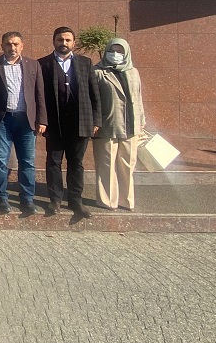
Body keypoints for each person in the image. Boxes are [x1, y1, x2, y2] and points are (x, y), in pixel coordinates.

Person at [38, 26, 101, 218]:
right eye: (60, 40)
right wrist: (41, 120)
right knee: (53, 162)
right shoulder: (43, 64)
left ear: (73, 42)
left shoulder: (85, 63)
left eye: (67, 40)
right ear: (54, 41)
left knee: (76, 163)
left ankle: (76, 201)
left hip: (80, 123)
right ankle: (55, 200)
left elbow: (94, 94)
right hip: (54, 123)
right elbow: (39, 96)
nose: (63, 43)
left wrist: (96, 120)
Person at [0, 31, 47, 215]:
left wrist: (42, 119)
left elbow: (39, 94)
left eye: (16, 44)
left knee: (27, 162)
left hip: (26, 121)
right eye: (8, 44)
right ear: (2, 46)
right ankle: (2, 198)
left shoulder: (33, 65)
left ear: (22, 46)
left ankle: (27, 199)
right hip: (2, 121)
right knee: (0, 162)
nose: (12, 47)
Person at [93, 38, 145, 211]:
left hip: (131, 125)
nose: (115, 54)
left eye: (120, 51)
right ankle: (107, 200)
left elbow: (138, 97)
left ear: (126, 53)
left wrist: (141, 120)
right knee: (106, 165)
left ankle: (126, 200)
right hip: (108, 124)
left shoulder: (133, 72)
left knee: (127, 165)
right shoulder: (98, 72)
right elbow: (93, 100)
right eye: (112, 50)